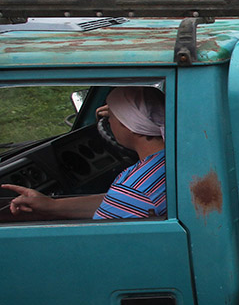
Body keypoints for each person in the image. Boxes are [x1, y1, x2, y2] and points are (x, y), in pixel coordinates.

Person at [3, 87, 167, 220]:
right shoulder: (169, 160)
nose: (108, 120)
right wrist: (52, 206)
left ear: (130, 126)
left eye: (113, 115)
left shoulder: (135, 191)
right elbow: (115, 202)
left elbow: (98, 241)